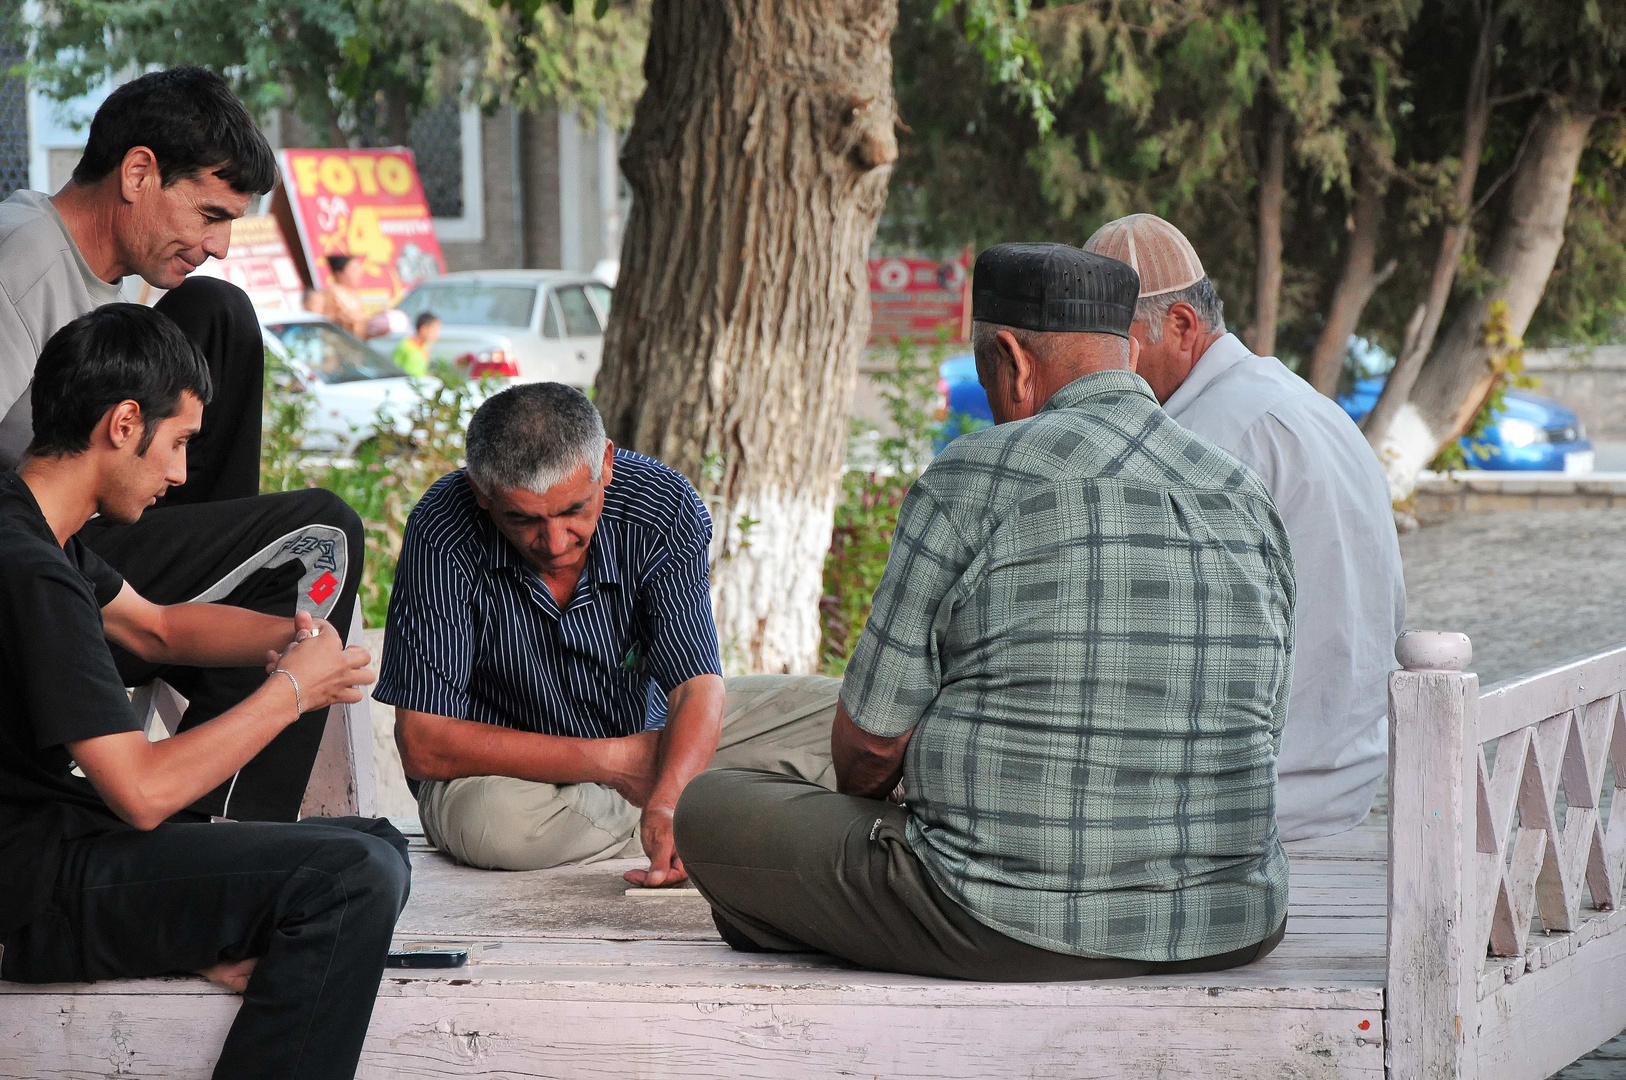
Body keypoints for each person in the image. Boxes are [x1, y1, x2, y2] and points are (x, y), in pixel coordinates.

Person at [673, 243, 1296, 981]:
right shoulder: (1242, 494)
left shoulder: (975, 475)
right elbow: (1263, 716)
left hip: (1002, 920)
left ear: (1013, 360)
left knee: (710, 809)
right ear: (1128, 351)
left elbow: (870, 748)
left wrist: (884, 805)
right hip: (1233, 920)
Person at [0, 304, 409, 1080]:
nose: (183, 475)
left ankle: (205, 933)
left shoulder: (29, 521)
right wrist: (292, 691)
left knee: (379, 842)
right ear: (124, 423)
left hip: (49, 844)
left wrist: (286, 639)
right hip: (27, 891)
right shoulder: (32, 573)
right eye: (179, 442)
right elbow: (143, 793)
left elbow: (157, 629)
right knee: (354, 877)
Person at [0, 67, 367, 823]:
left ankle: (210, 818)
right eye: (209, 213)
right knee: (320, 537)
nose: (221, 243)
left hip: (92, 559)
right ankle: (229, 842)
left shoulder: (123, 284)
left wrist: (300, 648)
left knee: (219, 312)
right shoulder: (22, 260)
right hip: (32, 569)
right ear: (138, 172)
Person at [374, 383, 841, 886]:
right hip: (508, 777)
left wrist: (666, 796)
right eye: (523, 519)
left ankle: (669, 808)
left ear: (607, 464)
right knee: (490, 824)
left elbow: (695, 686)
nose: (554, 543)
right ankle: (704, 810)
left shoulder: (661, 503)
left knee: (844, 718)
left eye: (574, 510)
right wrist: (617, 763)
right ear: (481, 495)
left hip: (650, 741)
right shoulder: (443, 527)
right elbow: (424, 744)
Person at [1083, 213, 1405, 842]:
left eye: (1110, 349)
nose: (1098, 375)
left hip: (1257, 803)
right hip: (1350, 781)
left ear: (1180, 327)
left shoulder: (1198, 440)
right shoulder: (1301, 402)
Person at [319, 254, 370, 338]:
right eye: (353, 270)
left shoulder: (351, 293)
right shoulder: (333, 293)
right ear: (339, 273)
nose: (359, 274)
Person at [392, 310, 441, 377]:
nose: (437, 335)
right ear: (423, 329)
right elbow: (394, 368)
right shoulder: (405, 345)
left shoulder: (425, 346)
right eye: (435, 330)